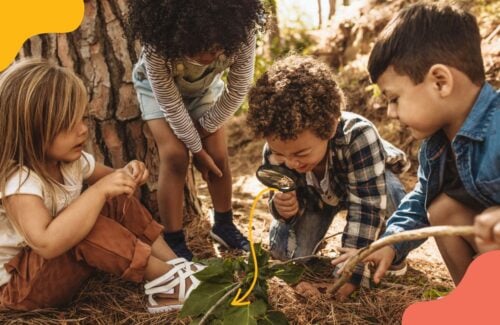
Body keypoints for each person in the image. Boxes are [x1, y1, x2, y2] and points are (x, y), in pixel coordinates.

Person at [0, 59, 204, 313]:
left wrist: (128, 173)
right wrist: (98, 191)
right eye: (68, 124)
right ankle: (168, 283)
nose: (83, 130)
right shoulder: (19, 182)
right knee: (87, 224)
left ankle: (176, 266)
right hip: (20, 289)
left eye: (83, 118)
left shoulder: (70, 162)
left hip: (51, 270)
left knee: (113, 199)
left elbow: (115, 182)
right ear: (30, 130)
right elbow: (46, 243)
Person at [246, 55, 409, 300]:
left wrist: (353, 270)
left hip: (368, 186)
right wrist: (284, 210)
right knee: (284, 252)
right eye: (281, 154)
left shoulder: (359, 136)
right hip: (316, 199)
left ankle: (392, 251)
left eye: (301, 153)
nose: (291, 163)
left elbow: (366, 205)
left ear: (331, 127)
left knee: (391, 194)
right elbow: (278, 197)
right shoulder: (276, 150)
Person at [364, 3, 499, 286]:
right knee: (441, 209)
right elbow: (419, 201)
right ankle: (473, 302)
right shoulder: (435, 147)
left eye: (394, 98)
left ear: (440, 82)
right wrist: (390, 243)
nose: (391, 113)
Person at [127, 0, 267, 260]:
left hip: (203, 91)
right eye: (198, 48)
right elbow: (169, 103)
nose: (208, 57)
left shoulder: (241, 31)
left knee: (218, 154)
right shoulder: (157, 44)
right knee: (175, 156)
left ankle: (224, 225)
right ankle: (174, 238)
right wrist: (195, 150)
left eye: (215, 49)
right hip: (157, 93)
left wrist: (202, 139)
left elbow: (237, 91)